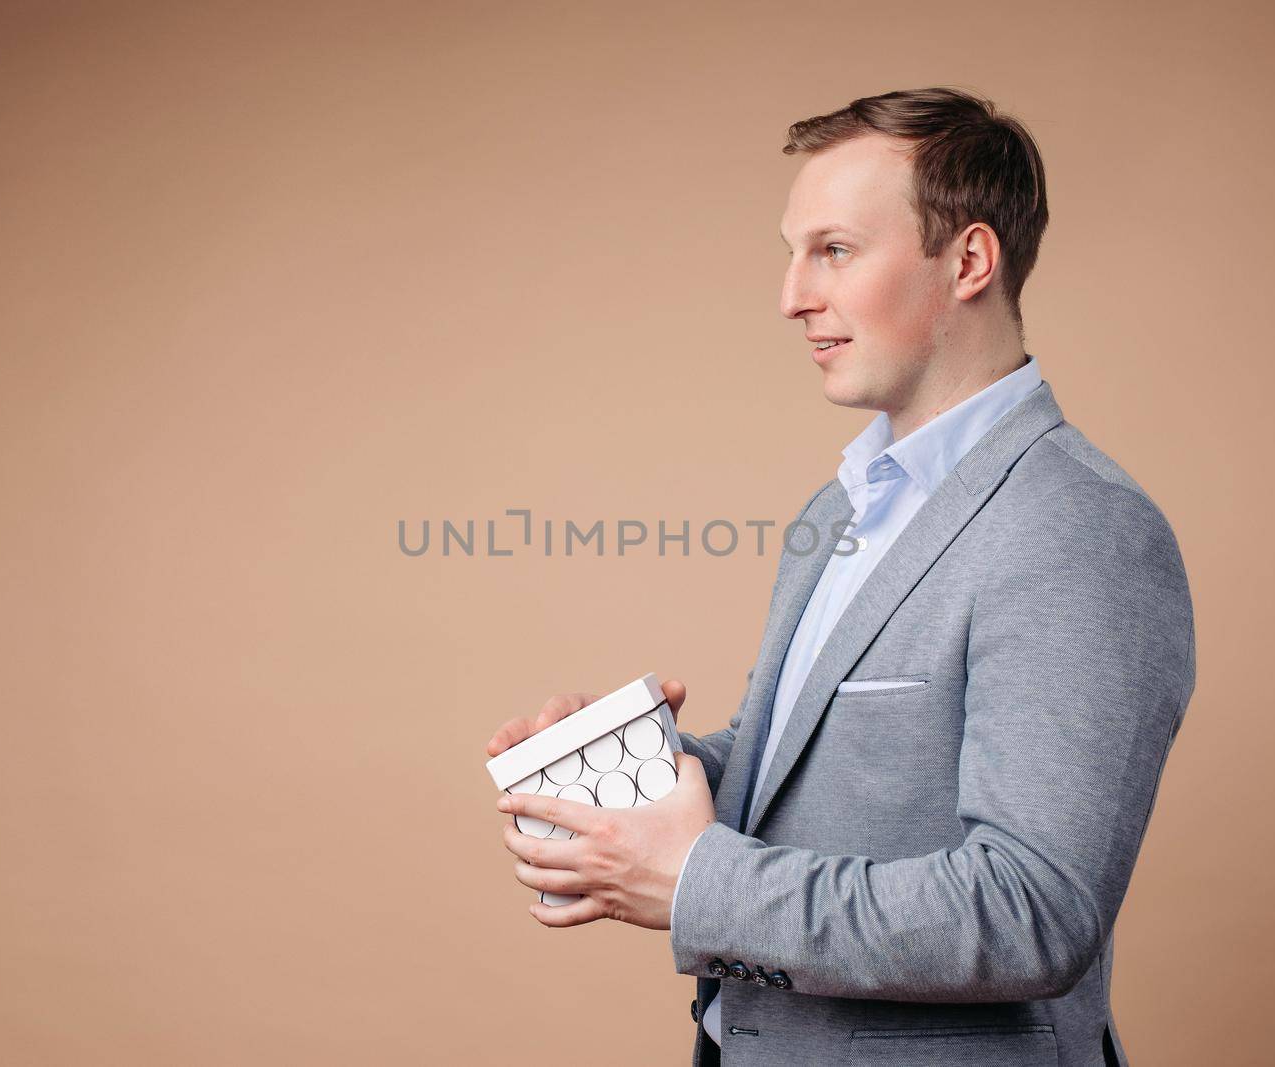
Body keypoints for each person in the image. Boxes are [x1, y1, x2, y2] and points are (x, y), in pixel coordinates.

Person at [485, 87, 1195, 1067]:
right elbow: (816, 774)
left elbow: (1030, 912)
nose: (791, 295)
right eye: (792, 251)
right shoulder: (842, 508)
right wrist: (631, 769)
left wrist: (697, 882)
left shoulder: (1080, 531)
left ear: (970, 261)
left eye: (834, 249)